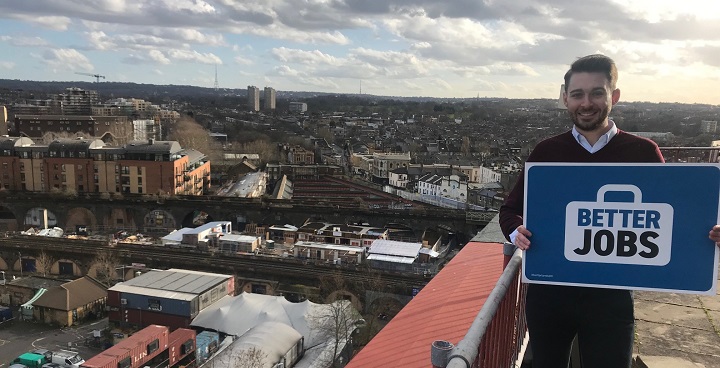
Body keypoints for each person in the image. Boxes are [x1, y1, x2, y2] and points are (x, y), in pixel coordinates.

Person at [499, 54, 720, 368]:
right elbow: (509, 210)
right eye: (577, 94)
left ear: (614, 96)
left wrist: (709, 233)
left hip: (611, 297)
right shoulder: (546, 152)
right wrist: (515, 230)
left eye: (597, 93)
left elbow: (672, 218)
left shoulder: (643, 152)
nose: (586, 103)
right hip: (550, 294)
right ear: (565, 99)